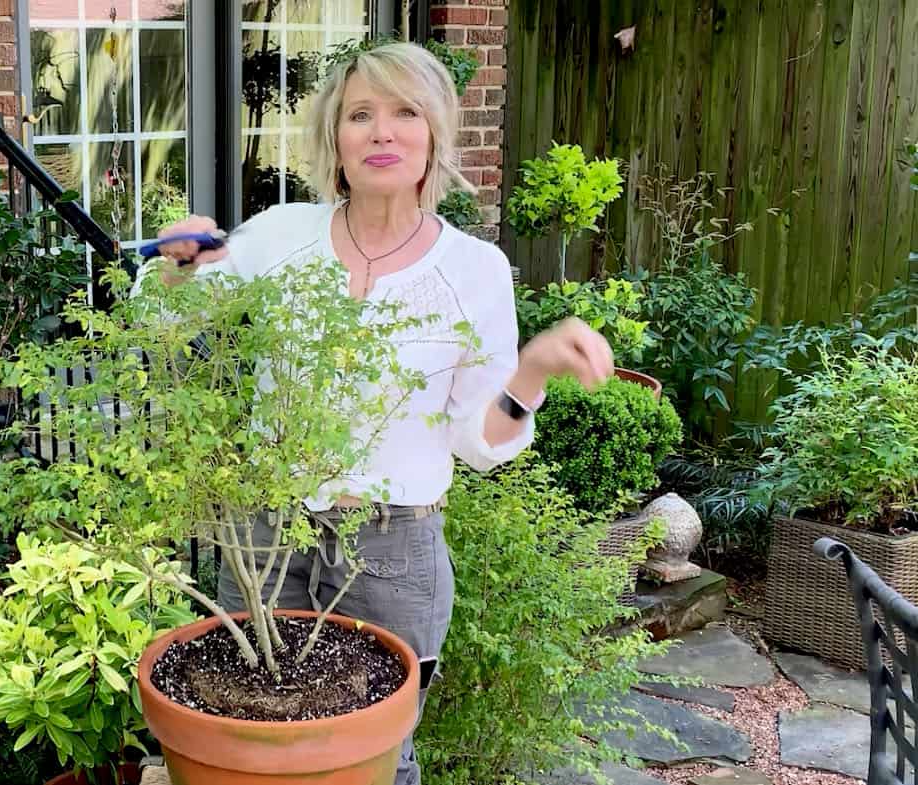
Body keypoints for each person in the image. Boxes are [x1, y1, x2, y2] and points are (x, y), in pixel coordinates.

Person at [149, 41, 614, 785]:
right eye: (361, 114)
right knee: (252, 746)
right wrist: (177, 268)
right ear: (336, 137)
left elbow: (477, 440)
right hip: (268, 531)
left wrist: (531, 370)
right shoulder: (280, 237)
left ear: (435, 136)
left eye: (405, 113)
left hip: (393, 551)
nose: (382, 132)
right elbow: (163, 320)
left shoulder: (474, 271)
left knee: (374, 758)